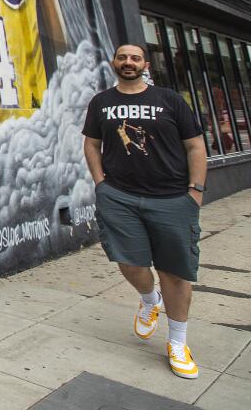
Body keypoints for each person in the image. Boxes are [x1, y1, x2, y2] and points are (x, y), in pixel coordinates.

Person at [83, 43, 207, 380]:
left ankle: (178, 343)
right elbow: (92, 144)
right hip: (119, 197)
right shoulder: (102, 102)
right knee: (130, 262)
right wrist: (100, 184)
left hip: (171, 198)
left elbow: (195, 145)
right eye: (122, 57)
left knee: (174, 272)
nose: (128, 62)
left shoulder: (169, 100)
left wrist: (194, 191)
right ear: (114, 63)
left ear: (145, 64)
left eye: (135, 57)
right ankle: (150, 300)